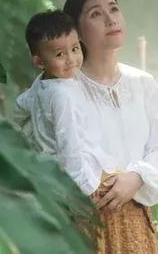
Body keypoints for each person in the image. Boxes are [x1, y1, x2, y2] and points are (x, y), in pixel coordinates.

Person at [62, 0, 158, 253]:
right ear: (76, 31)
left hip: (134, 224)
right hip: (81, 224)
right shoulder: (63, 90)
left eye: (114, 9)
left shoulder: (142, 83)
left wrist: (138, 177)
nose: (110, 19)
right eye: (96, 14)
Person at [16, 10, 104, 195]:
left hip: (47, 171)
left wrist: (32, 131)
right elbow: (69, 146)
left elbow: (20, 107)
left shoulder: (41, 82)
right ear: (39, 61)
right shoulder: (62, 95)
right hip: (71, 179)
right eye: (60, 54)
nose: (71, 60)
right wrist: (85, 189)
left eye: (75, 49)